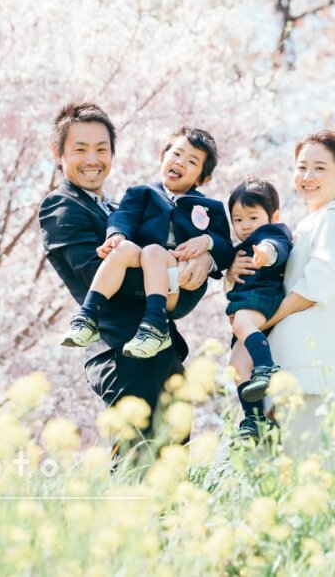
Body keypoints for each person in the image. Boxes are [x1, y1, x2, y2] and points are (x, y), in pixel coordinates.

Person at [39, 103, 216, 416]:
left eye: (101, 149)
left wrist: (206, 259)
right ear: (58, 153)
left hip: (161, 351)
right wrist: (177, 275)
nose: (92, 160)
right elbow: (101, 276)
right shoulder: (62, 206)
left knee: (169, 457)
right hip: (121, 352)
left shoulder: (120, 210)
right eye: (80, 149)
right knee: (137, 457)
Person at [227, 130, 335, 448]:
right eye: (301, 167)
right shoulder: (302, 226)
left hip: (305, 371)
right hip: (282, 369)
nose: (308, 176)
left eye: (319, 168)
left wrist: (259, 324)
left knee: (303, 471)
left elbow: (316, 286)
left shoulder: (333, 219)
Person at [60, 126, 235, 359]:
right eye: (176, 154)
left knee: (152, 251)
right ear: (162, 156)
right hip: (145, 269)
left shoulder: (210, 208)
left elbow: (226, 249)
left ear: (203, 178)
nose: (181, 162)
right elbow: (123, 217)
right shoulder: (142, 193)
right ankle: (89, 316)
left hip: (180, 285)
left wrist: (207, 241)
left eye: (192, 162)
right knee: (124, 249)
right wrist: (116, 236)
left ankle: (156, 326)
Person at [224, 177, 293, 439]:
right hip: (244, 304)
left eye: (252, 217)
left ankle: (267, 367)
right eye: (238, 220)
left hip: (262, 296)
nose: (244, 226)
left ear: (273, 216)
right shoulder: (239, 247)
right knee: (236, 365)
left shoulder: (273, 232)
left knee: (242, 324)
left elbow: (277, 246)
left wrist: (265, 253)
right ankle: (254, 420)